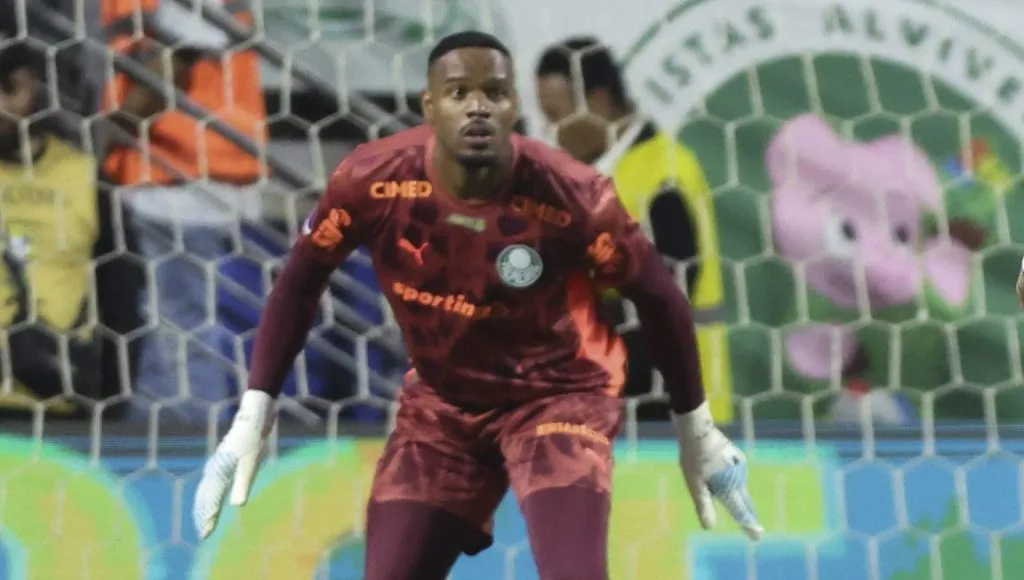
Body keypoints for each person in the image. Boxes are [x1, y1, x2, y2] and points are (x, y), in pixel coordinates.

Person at [192, 31, 762, 579]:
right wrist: (254, 410)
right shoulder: (374, 179)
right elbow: (300, 278)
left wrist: (695, 426)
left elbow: (663, 296)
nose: (478, 108)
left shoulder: (574, 193)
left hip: (555, 399)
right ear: (429, 105)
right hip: (443, 406)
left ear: (513, 107)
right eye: (460, 93)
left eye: (494, 93)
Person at [535, 37, 735, 421]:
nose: (551, 129)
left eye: (557, 114)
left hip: (672, 411)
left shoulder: (664, 173)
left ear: (600, 101)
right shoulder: (583, 179)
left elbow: (667, 297)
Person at [101, 0, 267, 421]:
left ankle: (181, 445)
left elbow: (172, 66)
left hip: (183, 182)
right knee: (175, 323)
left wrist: (101, 137)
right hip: (177, 177)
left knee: (178, 324)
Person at [0, 40, 143, 416]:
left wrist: (111, 406)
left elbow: (121, 299)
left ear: (31, 86)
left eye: (6, 89)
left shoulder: (82, 177)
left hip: (54, 407)